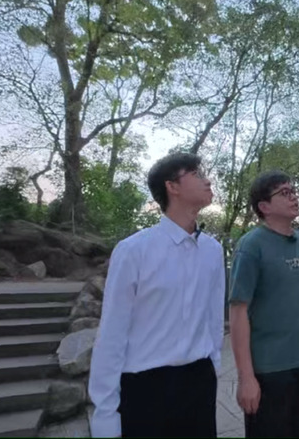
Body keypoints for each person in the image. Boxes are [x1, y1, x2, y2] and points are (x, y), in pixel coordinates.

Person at [89, 153, 225, 438]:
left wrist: (212, 367)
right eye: (197, 174)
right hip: (145, 389)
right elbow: (112, 334)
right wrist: (105, 416)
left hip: (199, 383)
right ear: (172, 187)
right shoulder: (133, 250)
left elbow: (213, 319)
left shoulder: (212, 251)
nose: (208, 181)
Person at [228, 170, 299, 438]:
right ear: (264, 206)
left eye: (294, 191)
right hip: (268, 370)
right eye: (285, 193)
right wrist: (246, 377)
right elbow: (238, 312)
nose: (294, 197)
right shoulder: (251, 246)